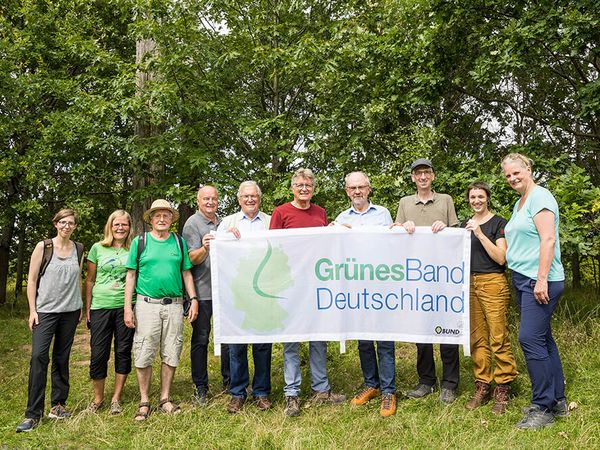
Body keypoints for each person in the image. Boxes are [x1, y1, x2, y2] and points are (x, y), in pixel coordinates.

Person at [270, 168, 346, 417]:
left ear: (313, 189)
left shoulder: (320, 213)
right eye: (300, 185)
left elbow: (324, 247)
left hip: (315, 284)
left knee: (318, 338)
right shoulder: (280, 212)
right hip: (290, 286)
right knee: (291, 341)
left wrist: (333, 230)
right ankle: (291, 394)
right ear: (292, 188)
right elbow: (272, 248)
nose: (304, 189)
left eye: (308, 185)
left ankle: (321, 390)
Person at [502, 153, 567, 429]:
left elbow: (548, 238)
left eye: (517, 172)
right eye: (507, 175)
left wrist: (541, 279)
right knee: (543, 339)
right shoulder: (520, 202)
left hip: (538, 281)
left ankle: (543, 407)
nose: (513, 178)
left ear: (528, 169)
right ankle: (559, 400)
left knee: (529, 338)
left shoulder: (540, 197)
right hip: (522, 278)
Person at [124, 199, 199, 421]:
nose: (162, 219)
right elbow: (130, 275)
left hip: (175, 305)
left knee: (172, 350)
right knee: (144, 351)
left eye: (166, 215)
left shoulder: (178, 242)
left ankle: (165, 398)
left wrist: (193, 298)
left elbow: (186, 272)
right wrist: (128, 307)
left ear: (171, 219)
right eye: (157, 215)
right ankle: (144, 400)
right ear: (151, 219)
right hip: (147, 305)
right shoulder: (141, 242)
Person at [393, 158, 460, 404]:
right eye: (418, 173)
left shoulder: (446, 200)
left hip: (443, 276)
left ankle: (450, 384)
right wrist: (403, 226)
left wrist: (446, 226)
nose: (422, 177)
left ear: (433, 176)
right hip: (416, 278)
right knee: (421, 331)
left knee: (446, 330)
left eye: (427, 172)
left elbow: (456, 234)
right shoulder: (404, 203)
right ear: (413, 178)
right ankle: (426, 381)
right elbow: (395, 234)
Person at [333, 171, 396, 417]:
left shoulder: (382, 214)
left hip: (380, 286)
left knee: (385, 339)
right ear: (347, 191)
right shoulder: (341, 217)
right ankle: (371, 384)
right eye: (352, 188)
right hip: (355, 289)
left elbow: (392, 245)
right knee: (363, 340)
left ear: (369, 189)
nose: (357, 191)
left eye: (361, 187)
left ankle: (389, 391)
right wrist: (332, 230)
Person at [16, 209, 84, 433]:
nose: (66, 226)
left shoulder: (79, 248)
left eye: (71, 223)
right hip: (45, 312)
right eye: (63, 222)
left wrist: (81, 305)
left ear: (74, 226)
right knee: (38, 358)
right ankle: (32, 414)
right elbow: (33, 279)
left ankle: (58, 405)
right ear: (56, 224)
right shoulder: (43, 247)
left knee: (61, 358)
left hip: (70, 312)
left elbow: (78, 280)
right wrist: (32, 310)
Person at [217, 181, 273, 413]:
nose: (250, 200)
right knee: (236, 345)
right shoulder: (227, 223)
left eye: (254, 196)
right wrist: (224, 238)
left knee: (262, 345)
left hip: (263, 293)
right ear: (239, 199)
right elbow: (214, 248)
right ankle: (238, 393)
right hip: (235, 293)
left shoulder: (271, 221)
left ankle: (261, 392)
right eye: (245, 196)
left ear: (259, 199)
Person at [462, 182, 517, 414]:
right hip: (469, 284)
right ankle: (482, 385)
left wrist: (479, 233)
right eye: (473, 197)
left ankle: (503, 387)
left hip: (493, 283)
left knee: (498, 336)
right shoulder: (465, 225)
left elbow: (501, 258)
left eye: (480, 196)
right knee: (477, 339)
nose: (476, 201)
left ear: (488, 198)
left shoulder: (498, 223)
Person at [182, 185, 230, 405]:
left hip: (226, 292)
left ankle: (230, 383)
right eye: (206, 199)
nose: (210, 202)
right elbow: (190, 259)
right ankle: (201, 387)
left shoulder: (224, 224)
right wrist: (205, 249)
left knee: (229, 339)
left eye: (214, 198)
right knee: (201, 339)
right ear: (198, 201)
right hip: (202, 293)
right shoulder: (192, 223)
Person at [85, 210, 135, 415]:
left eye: (124, 225)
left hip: (125, 307)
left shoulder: (134, 249)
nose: (120, 228)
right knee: (98, 354)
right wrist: (87, 309)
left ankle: (116, 398)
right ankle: (98, 398)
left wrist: (130, 309)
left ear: (129, 227)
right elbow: (89, 280)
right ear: (110, 226)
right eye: (117, 225)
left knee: (122, 352)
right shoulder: (97, 248)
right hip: (100, 306)